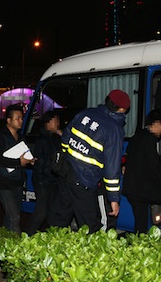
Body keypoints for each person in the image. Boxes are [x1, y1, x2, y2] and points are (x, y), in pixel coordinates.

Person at [52, 89, 130, 233]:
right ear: (123, 109)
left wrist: (66, 156)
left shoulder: (86, 114)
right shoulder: (114, 129)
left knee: (61, 219)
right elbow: (112, 169)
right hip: (84, 180)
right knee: (89, 227)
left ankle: (50, 249)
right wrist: (114, 200)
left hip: (65, 173)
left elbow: (65, 138)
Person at [122, 109, 161, 235]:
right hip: (143, 188)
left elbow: (128, 155)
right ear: (157, 124)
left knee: (141, 221)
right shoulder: (150, 140)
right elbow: (154, 167)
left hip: (130, 187)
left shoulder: (137, 136)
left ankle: (139, 243)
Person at [0, 104, 35, 233]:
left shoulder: (20, 137)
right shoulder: (1, 137)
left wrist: (29, 160)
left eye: (21, 118)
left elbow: (22, 154)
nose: (21, 121)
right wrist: (18, 162)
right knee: (14, 217)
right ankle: (17, 248)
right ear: (8, 120)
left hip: (17, 182)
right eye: (17, 118)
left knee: (11, 216)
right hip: (3, 182)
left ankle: (3, 241)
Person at [26, 111, 62, 235]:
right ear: (48, 122)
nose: (57, 122)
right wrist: (43, 180)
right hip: (43, 180)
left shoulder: (57, 137)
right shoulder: (42, 139)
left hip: (53, 180)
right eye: (55, 120)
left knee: (53, 212)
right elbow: (42, 162)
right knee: (41, 212)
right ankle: (27, 236)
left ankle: (53, 238)